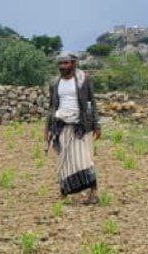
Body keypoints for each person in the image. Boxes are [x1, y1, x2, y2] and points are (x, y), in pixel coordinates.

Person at [44, 51, 101, 204]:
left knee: (84, 160)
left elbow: (91, 103)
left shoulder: (83, 80)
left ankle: (93, 193)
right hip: (61, 125)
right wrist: (47, 130)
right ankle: (64, 192)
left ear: (74, 64)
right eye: (60, 64)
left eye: (66, 63)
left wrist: (96, 124)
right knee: (64, 161)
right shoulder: (55, 83)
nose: (62, 66)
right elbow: (51, 107)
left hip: (80, 127)